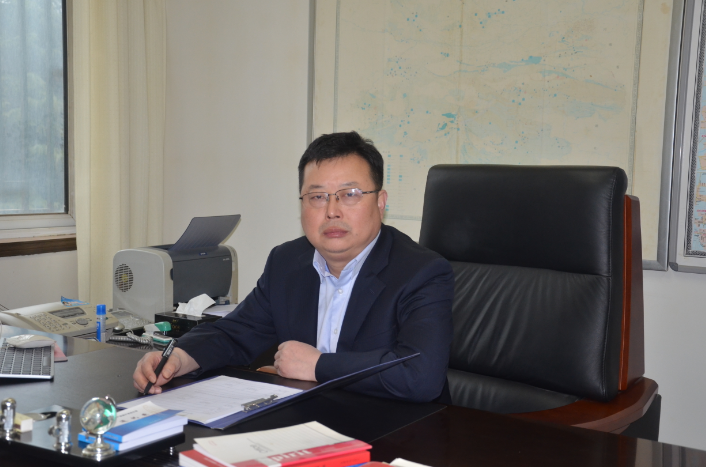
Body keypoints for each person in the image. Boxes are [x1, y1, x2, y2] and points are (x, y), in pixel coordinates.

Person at [133, 131, 454, 402]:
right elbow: (235, 334)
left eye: (350, 194)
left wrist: (318, 366)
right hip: (308, 421)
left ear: (380, 202)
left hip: (397, 430)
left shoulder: (421, 272)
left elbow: (420, 376)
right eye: (317, 197)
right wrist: (178, 357)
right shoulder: (287, 262)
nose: (332, 211)